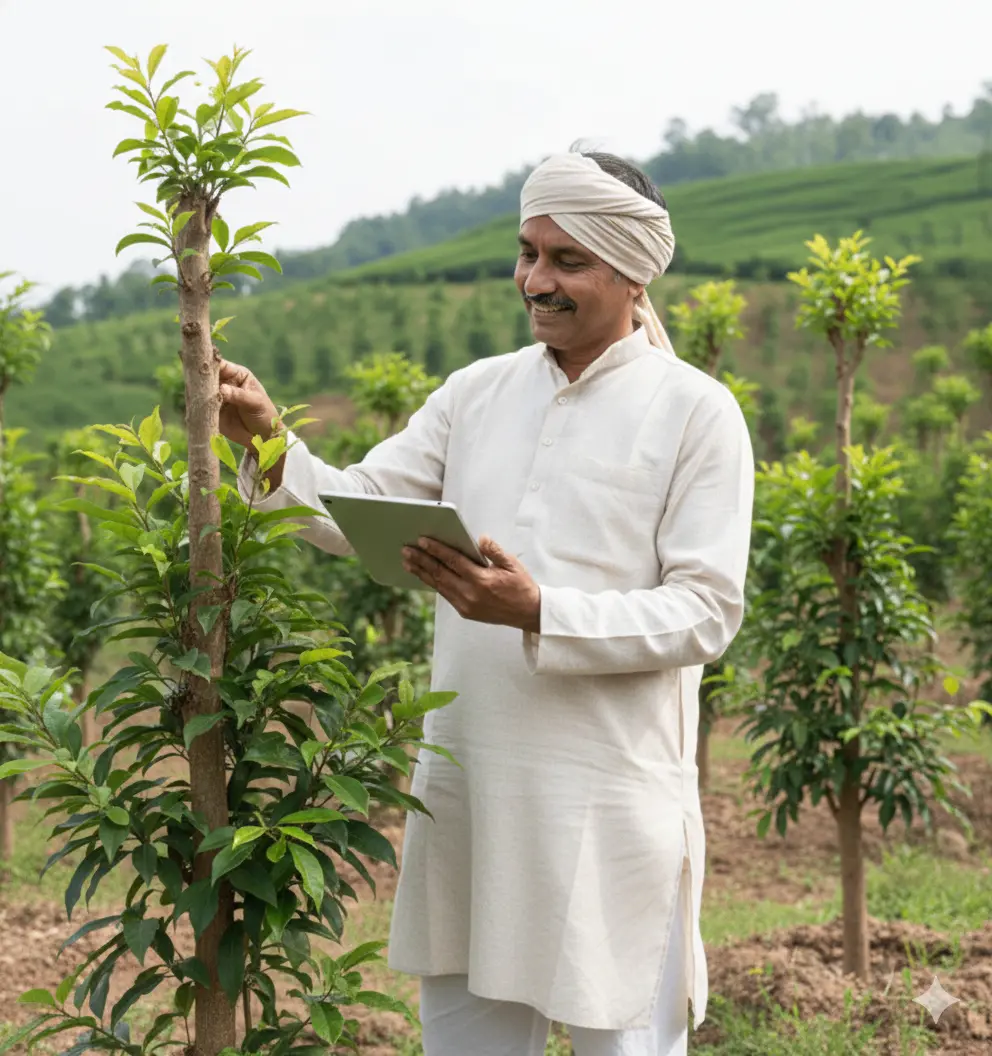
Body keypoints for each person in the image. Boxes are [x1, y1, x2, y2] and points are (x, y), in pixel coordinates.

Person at [218, 149, 754, 1056]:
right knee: (467, 1033)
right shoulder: (478, 392)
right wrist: (271, 442)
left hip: (606, 796)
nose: (535, 281)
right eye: (527, 253)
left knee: (618, 1030)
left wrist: (541, 610)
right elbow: (352, 513)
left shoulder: (696, 412)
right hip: (471, 782)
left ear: (633, 272)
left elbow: (706, 611)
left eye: (566, 261)